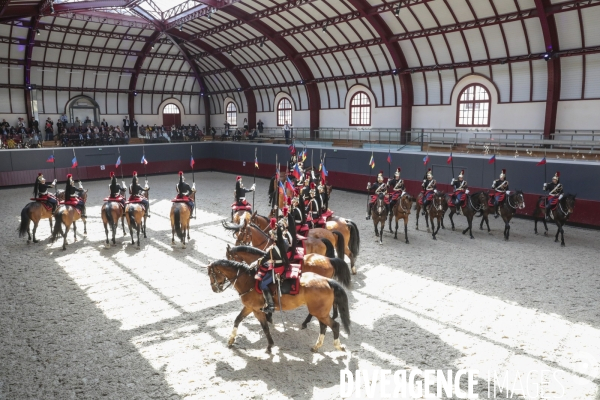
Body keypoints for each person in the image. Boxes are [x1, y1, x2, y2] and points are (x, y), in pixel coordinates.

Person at [254, 219, 288, 313]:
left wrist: (255, 263)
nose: (270, 237)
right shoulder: (285, 243)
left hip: (277, 269)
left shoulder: (272, 249)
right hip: (282, 265)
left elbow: (263, 259)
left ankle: (271, 305)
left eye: (272, 236)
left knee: (263, 284)